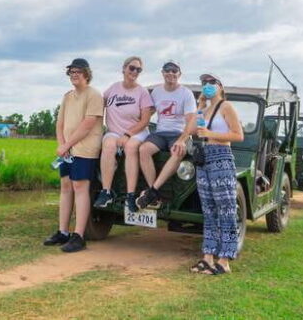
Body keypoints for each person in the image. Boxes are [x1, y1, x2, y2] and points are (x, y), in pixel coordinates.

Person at [43, 58, 104, 253]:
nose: (74, 75)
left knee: (80, 187)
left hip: (85, 148)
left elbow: (87, 125)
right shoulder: (67, 96)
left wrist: (68, 144)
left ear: (86, 73)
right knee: (66, 186)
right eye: (71, 72)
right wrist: (62, 145)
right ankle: (63, 232)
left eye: (78, 71)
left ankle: (79, 235)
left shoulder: (94, 95)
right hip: (67, 150)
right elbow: (59, 124)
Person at [189, 73, 243, 276]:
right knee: (209, 209)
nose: (208, 86)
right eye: (204, 83)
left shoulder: (226, 107)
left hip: (221, 157)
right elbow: (194, 130)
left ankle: (225, 259)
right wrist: (199, 106)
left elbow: (238, 135)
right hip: (204, 159)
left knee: (226, 209)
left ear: (221, 87)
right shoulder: (205, 108)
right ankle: (208, 256)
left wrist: (211, 134)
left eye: (212, 83)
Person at [93, 56, 154, 212]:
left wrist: (128, 135)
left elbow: (145, 120)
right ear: (124, 69)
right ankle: (106, 191)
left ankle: (130, 195)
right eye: (132, 68)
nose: (134, 72)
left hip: (136, 132)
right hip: (114, 131)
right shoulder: (113, 88)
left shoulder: (142, 92)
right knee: (107, 145)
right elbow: (97, 104)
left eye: (138, 69)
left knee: (131, 147)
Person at [135, 60, 197, 209]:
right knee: (143, 150)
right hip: (161, 132)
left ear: (179, 74)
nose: (171, 73)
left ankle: (153, 190)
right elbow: (147, 114)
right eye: (167, 70)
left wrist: (182, 140)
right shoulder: (156, 92)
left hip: (178, 133)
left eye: (174, 70)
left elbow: (191, 121)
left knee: (177, 151)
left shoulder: (186, 93)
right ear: (162, 73)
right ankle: (153, 194)